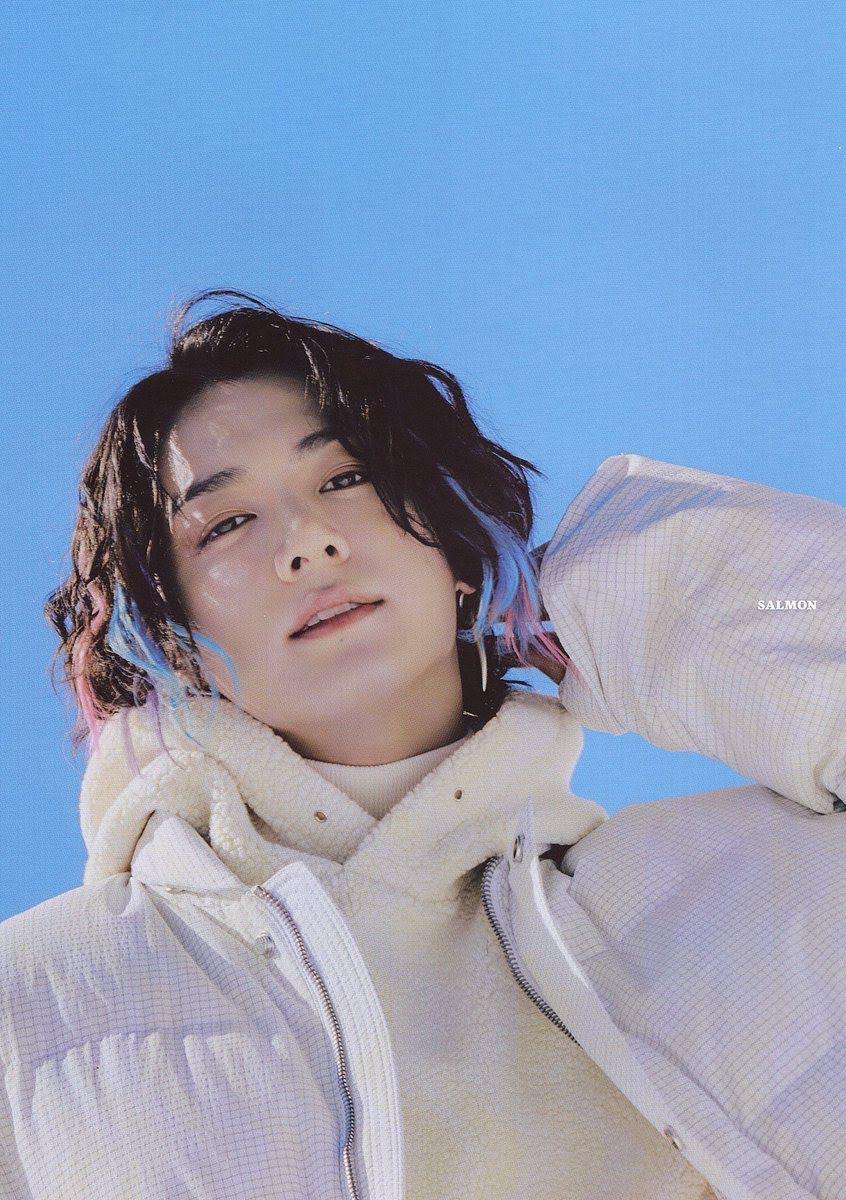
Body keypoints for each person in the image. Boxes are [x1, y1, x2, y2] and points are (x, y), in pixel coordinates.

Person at [1, 289, 842, 1200]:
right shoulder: (42, 995)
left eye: (346, 478)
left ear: (451, 533)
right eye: (227, 524)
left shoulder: (722, 899)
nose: (308, 543)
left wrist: (646, 594)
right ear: (171, 641)